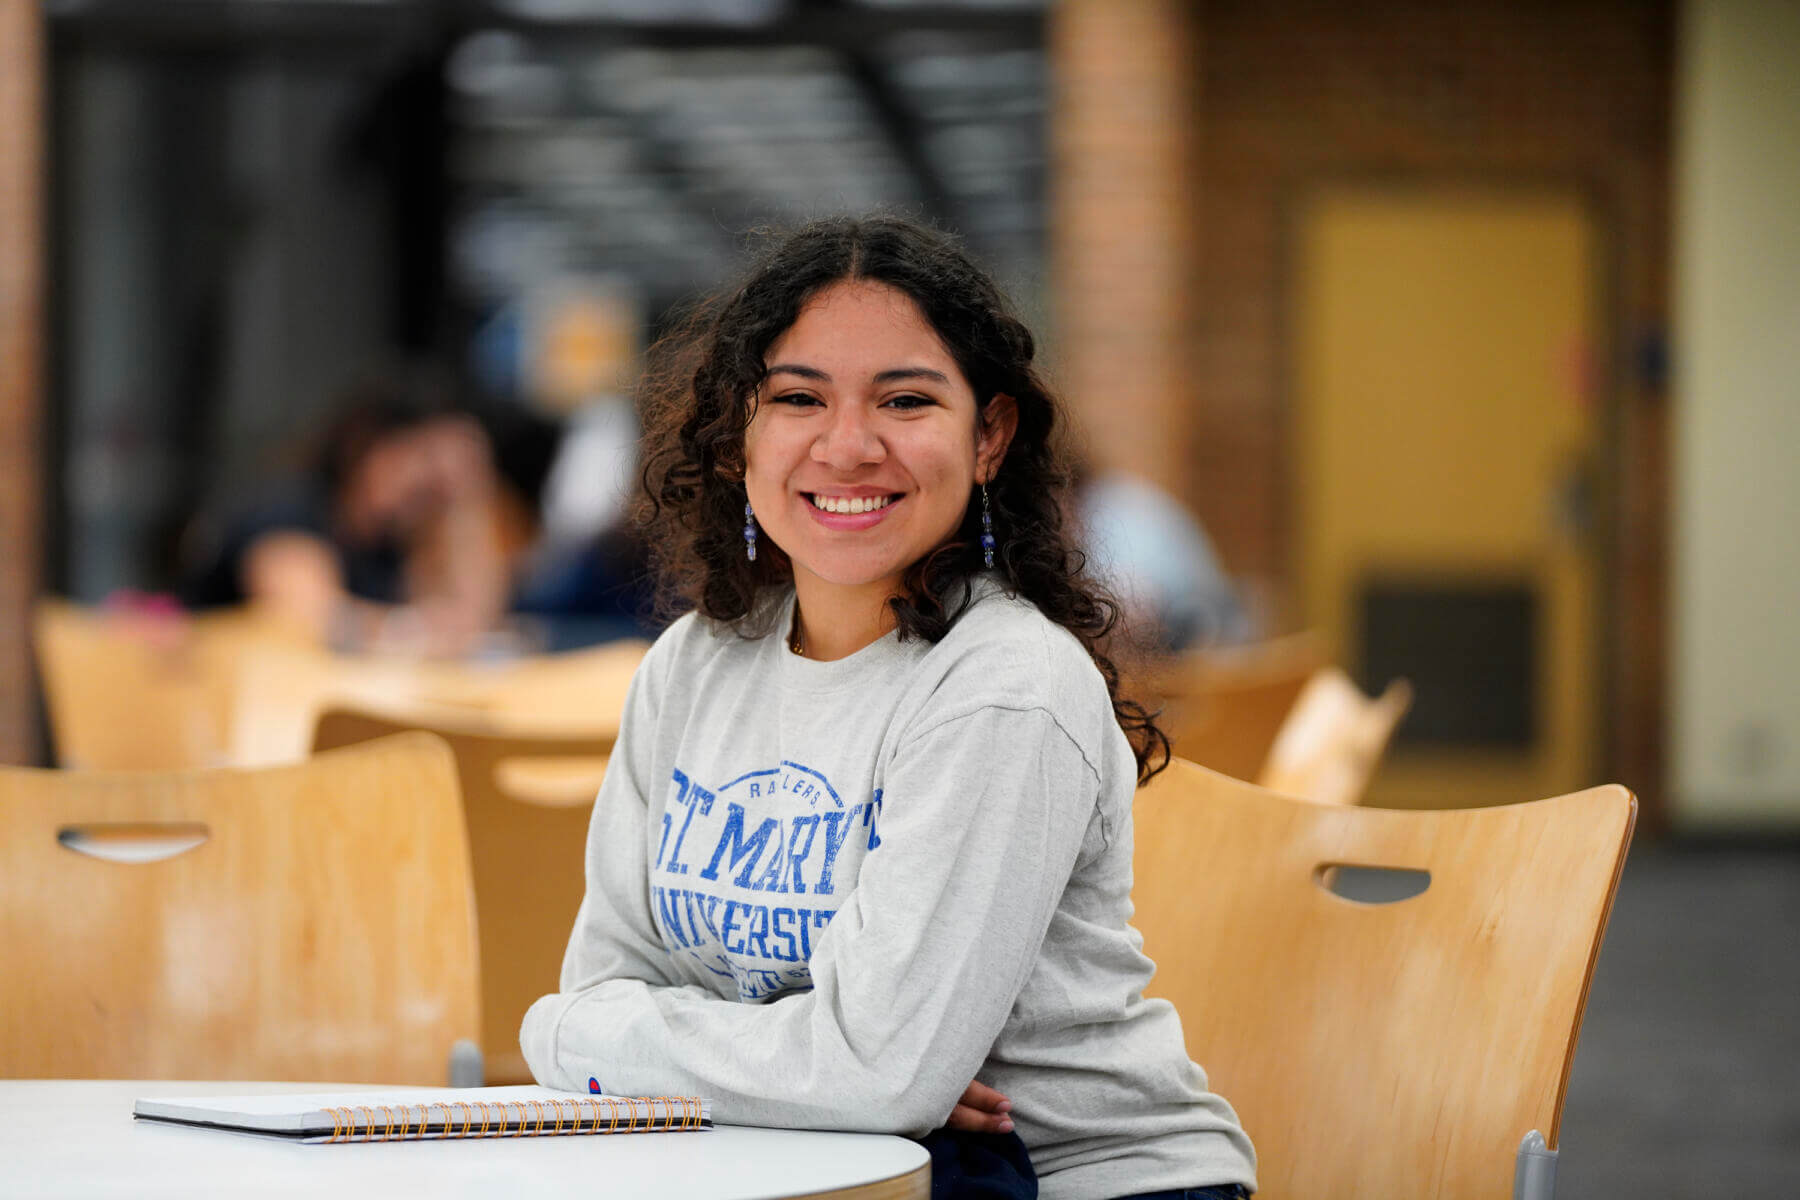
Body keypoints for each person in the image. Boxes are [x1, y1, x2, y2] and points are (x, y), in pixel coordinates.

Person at [520, 216, 1257, 1200]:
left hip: (1082, 1183)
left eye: (906, 399)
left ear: (989, 437)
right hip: (797, 1168)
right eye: (798, 399)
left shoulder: (1004, 688)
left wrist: (591, 1038)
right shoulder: (689, 669)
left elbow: (870, 1072)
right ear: (739, 436)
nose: (850, 445)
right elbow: (601, 1003)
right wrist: (815, 1074)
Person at [180, 367, 525, 656]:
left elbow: (471, 620)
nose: (429, 482)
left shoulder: (390, 542)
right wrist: (420, 629)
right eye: (420, 457)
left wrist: (467, 497)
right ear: (365, 445)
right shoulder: (287, 510)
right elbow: (308, 620)